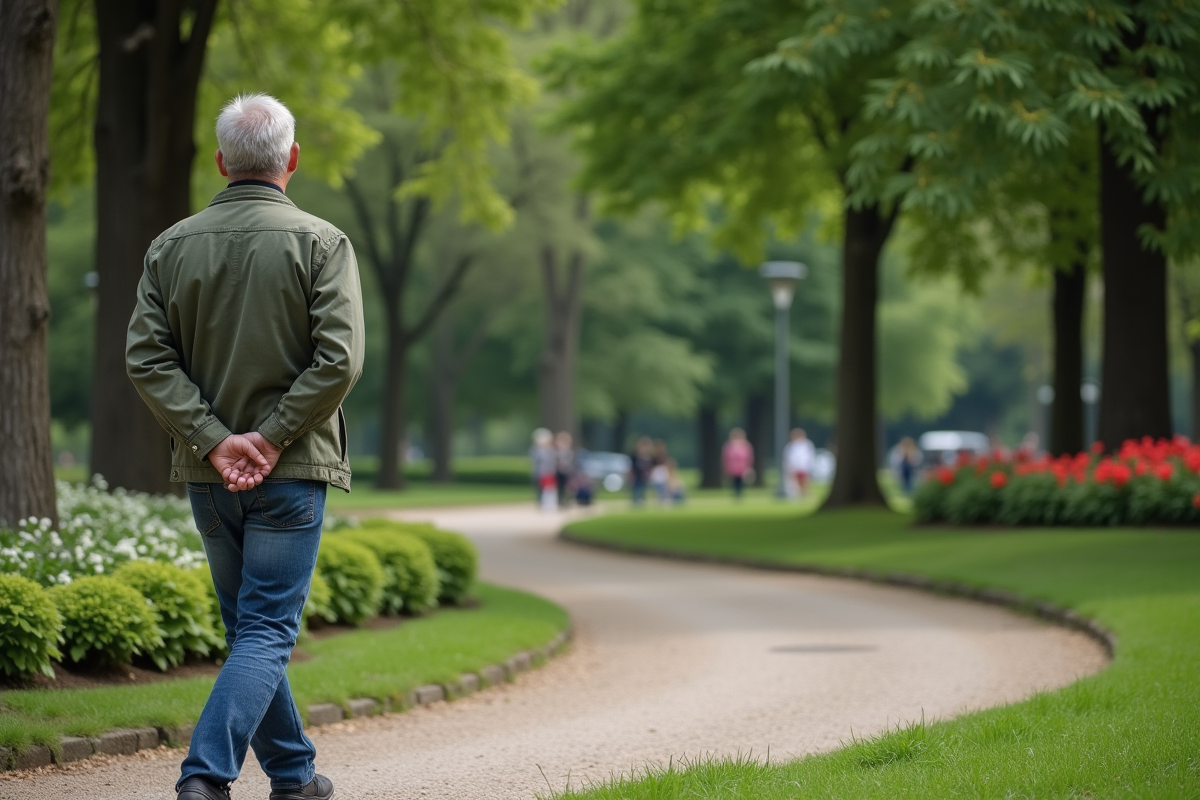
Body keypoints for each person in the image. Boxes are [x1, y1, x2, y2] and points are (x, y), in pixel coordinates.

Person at [125, 94, 364, 800]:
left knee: (250, 631)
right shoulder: (322, 242)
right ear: (291, 159)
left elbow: (147, 360)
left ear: (223, 160)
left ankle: (294, 777)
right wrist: (273, 436)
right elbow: (340, 360)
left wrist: (215, 440)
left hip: (210, 474)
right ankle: (204, 776)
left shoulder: (170, 246)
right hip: (292, 472)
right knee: (264, 632)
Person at [722, 428, 754, 499]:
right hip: (733, 467)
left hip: (742, 467)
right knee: (735, 481)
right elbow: (725, 457)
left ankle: (739, 494)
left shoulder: (745, 445)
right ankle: (737, 493)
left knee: (740, 481)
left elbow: (749, 457)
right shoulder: (729, 445)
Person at [783, 428, 816, 499]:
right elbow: (788, 458)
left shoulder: (807, 445)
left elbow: (810, 457)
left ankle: (805, 496)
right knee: (795, 485)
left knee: (804, 484)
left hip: (804, 467)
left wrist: (809, 466)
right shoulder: (790, 446)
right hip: (794, 468)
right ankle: (798, 497)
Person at [530, 428, 557, 511]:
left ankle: (549, 504)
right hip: (539, 472)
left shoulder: (551, 450)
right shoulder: (535, 450)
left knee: (549, 489)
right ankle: (540, 502)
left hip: (549, 472)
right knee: (539, 488)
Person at [629, 437, 653, 506]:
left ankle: (641, 502)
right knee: (636, 490)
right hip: (637, 476)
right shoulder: (635, 456)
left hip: (644, 477)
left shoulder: (649, 457)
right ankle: (636, 502)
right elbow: (632, 467)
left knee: (643, 490)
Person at [554, 431, 575, 507]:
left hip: (566, 472)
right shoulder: (556, 452)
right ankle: (559, 500)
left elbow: (569, 462)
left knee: (568, 488)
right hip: (558, 472)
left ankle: (566, 501)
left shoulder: (569, 452)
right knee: (559, 487)